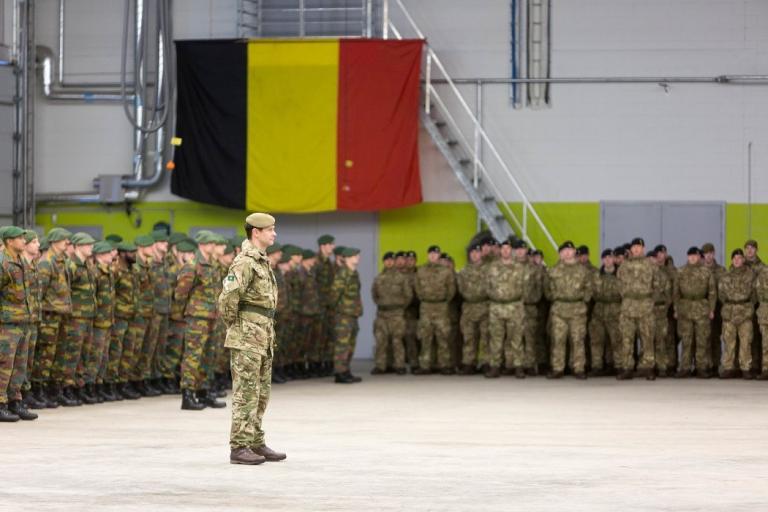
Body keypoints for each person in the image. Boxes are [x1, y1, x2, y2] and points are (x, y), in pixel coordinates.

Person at [175, 231, 224, 410]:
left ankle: (204, 392)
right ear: (203, 245)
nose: (214, 246)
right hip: (197, 318)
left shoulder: (213, 264)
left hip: (212, 316)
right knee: (193, 356)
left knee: (208, 356)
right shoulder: (193, 265)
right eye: (211, 243)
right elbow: (180, 293)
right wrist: (190, 310)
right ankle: (187, 394)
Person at [54, 232, 96, 405]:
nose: (91, 247)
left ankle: (78, 386)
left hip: (87, 316)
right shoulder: (71, 266)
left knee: (83, 354)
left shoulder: (87, 265)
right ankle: (65, 388)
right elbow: (65, 291)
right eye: (87, 244)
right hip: (75, 318)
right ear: (78, 246)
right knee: (71, 354)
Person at [0, 227, 36, 421]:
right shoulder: (3, 263)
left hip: (23, 321)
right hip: (6, 324)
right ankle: (0, 403)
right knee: (4, 365)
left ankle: (15, 401)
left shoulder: (20, 261)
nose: (24, 240)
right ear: (9, 241)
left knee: (20, 365)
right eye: (19, 238)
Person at [544, 241, 592, 379]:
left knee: (578, 340)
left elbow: (589, 288)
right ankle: (558, 368)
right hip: (559, 310)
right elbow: (546, 288)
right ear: (560, 254)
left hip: (577, 310)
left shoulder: (583, 270)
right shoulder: (553, 271)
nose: (567, 252)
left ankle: (578, 368)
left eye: (569, 250)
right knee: (558, 340)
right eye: (564, 250)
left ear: (574, 252)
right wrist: (553, 297)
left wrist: (584, 300)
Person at [616, 238, 661, 380]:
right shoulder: (624, 266)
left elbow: (657, 285)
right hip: (628, 307)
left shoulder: (651, 265)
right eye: (634, 247)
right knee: (627, 338)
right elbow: (619, 285)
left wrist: (649, 299)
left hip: (645, 306)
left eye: (638, 247)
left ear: (643, 248)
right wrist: (629, 297)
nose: (636, 249)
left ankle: (648, 368)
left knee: (647, 338)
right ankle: (627, 368)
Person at [485, 239, 528, 378]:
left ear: (512, 250)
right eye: (502, 248)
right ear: (500, 250)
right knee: (496, 338)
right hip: (496, 307)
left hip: (514, 306)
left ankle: (518, 367)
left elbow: (525, 287)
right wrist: (496, 297)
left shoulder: (519, 267)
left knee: (516, 338)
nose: (505, 251)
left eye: (508, 248)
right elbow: (487, 286)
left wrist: (515, 298)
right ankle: (495, 366)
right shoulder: (492, 267)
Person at [674, 247, 717, 378]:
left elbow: (712, 292)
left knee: (701, 339)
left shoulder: (706, 271)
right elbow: (675, 293)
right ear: (687, 257)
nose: (692, 258)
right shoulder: (680, 271)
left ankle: (701, 367)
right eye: (690, 255)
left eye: (695, 255)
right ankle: (685, 367)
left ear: (699, 257)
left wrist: (711, 309)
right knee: (686, 340)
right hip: (685, 309)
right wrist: (676, 309)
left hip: (701, 308)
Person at [413, 245, 456, 375]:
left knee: (443, 336)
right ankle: (425, 365)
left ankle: (444, 365)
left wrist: (443, 301)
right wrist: (424, 299)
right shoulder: (421, 270)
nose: (433, 256)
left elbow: (451, 289)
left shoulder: (446, 271)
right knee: (425, 337)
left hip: (441, 307)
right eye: (431, 253)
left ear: (439, 255)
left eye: (436, 254)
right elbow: (417, 288)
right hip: (426, 307)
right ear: (427, 255)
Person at [371, 252, 413, 375]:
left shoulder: (401, 277)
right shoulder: (378, 278)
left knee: (397, 340)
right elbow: (374, 295)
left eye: (391, 260)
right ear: (384, 262)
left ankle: (399, 365)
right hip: (382, 314)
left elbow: (408, 295)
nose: (389, 262)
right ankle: (381, 366)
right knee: (381, 341)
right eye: (386, 260)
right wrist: (382, 304)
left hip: (397, 314)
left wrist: (399, 307)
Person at [718, 249, 755, 379]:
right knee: (729, 342)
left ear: (743, 260)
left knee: (746, 342)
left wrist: (746, 304)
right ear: (732, 260)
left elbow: (754, 294)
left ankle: (745, 368)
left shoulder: (750, 275)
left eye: (739, 258)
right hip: (730, 312)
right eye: (735, 258)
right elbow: (721, 294)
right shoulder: (726, 276)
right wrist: (731, 303)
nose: (737, 260)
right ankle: (728, 368)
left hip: (745, 312)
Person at [330, 247, 364, 383]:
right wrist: (338, 310)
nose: (358, 258)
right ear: (348, 258)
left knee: (350, 344)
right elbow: (334, 295)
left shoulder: (354, 273)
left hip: (352, 314)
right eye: (356, 256)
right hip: (343, 315)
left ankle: (346, 369)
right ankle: (339, 372)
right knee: (342, 345)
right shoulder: (343, 274)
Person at [456, 244, 489, 374]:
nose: (475, 255)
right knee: (469, 336)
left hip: (484, 306)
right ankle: (469, 363)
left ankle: (486, 362)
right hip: (469, 306)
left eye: (477, 252)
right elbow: (460, 287)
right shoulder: (464, 271)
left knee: (486, 336)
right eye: (472, 252)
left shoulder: (488, 270)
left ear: (481, 254)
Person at [589, 249, 621, 376]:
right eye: (605, 257)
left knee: (617, 340)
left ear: (614, 259)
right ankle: (597, 366)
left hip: (615, 312)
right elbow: (591, 293)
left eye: (610, 257)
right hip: (599, 312)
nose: (607, 260)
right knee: (597, 341)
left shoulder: (621, 274)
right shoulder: (596, 275)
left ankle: (618, 366)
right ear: (602, 260)